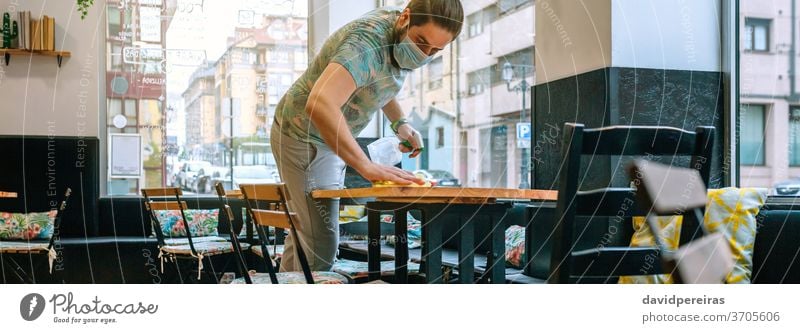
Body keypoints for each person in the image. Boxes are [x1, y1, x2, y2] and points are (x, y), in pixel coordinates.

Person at [271, 0, 464, 272]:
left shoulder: (394, 33)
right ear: (405, 18)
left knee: (308, 231)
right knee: (322, 239)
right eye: (421, 43)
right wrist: (366, 166)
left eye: (435, 50)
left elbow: (376, 78)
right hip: (304, 135)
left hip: (325, 137)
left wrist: (400, 122)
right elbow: (319, 104)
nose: (425, 55)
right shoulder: (364, 44)